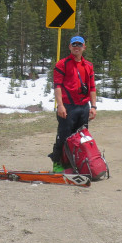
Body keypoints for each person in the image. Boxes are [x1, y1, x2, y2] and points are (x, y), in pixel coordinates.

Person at [49, 35, 97, 172]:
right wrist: (60, 105)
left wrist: (93, 106)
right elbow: (57, 86)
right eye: (74, 44)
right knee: (63, 136)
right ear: (70, 47)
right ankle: (58, 163)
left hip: (83, 107)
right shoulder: (62, 64)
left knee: (81, 137)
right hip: (67, 107)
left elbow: (92, 87)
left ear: (84, 47)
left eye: (79, 44)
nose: (77, 47)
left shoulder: (88, 66)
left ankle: (76, 163)